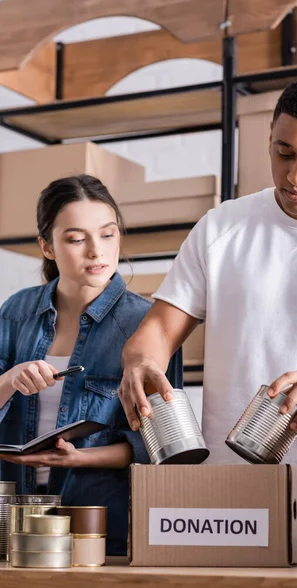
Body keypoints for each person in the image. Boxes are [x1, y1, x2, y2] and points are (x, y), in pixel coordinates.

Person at [119, 73, 297, 560]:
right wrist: (140, 361)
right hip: (222, 505)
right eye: (284, 153)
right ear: (269, 137)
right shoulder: (222, 227)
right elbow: (159, 330)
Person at [0, 174, 182, 555]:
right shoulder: (16, 312)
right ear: (47, 247)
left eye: (108, 234)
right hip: (13, 522)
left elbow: (160, 446)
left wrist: (79, 458)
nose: (97, 251)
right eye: (76, 239)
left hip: (98, 527)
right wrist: (10, 380)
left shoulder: (147, 325)